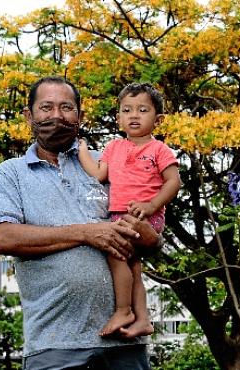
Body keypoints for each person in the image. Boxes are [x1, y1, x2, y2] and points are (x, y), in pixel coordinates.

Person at [0, 76, 161, 370]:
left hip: (125, 345)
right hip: (54, 346)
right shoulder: (10, 174)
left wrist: (145, 232)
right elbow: (3, 238)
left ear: (79, 116)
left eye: (66, 107)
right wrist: (86, 233)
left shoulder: (108, 163)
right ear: (29, 116)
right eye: (46, 107)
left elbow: (153, 240)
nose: (56, 115)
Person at [78, 83, 180, 337]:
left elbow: (174, 181)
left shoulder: (159, 149)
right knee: (133, 266)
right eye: (127, 110)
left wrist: (151, 205)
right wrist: (82, 152)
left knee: (116, 255)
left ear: (158, 120)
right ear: (119, 118)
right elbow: (100, 174)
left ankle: (123, 310)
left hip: (146, 217)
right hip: (119, 215)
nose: (134, 115)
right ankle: (143, 319)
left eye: (142, 110)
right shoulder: (113, 147)